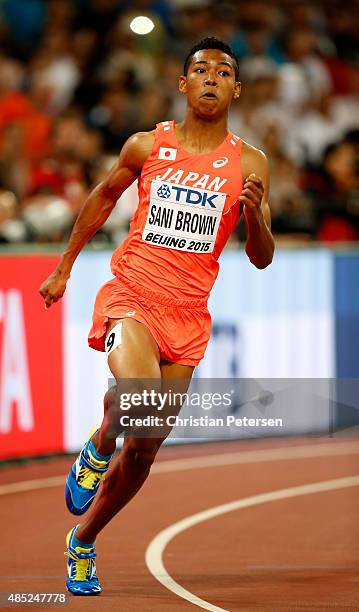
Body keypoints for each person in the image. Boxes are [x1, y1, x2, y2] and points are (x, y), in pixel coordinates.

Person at [39, 37, 275, 596]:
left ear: (236, 88)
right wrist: (64, 267)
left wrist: (253, 215)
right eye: (200, 69)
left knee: (144, 450)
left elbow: (262, 256)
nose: (211, 78)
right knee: (137, 392)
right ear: (183, 84)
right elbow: (102, 196)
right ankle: (99, 444)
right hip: (134, 294)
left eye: (223, 71)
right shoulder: (148, 145)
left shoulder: (250, 162)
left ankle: (84, 540)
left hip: (189, 314)